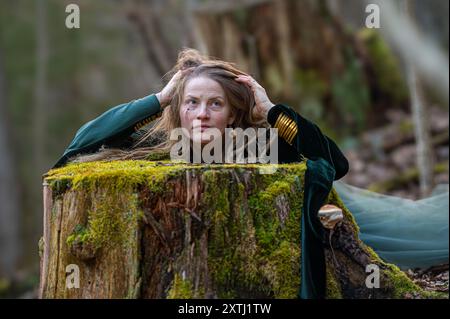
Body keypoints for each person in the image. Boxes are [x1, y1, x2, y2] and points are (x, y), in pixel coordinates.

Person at [53, 48, 448, 298]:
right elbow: (80, 148)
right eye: (191, 103)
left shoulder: (262, 144)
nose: (202, 114)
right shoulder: (162, 147)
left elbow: (334, 162)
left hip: (307, 231)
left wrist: (271, 112)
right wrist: (157, 99)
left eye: (215, 104)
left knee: (428, 230)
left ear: (234, 112)